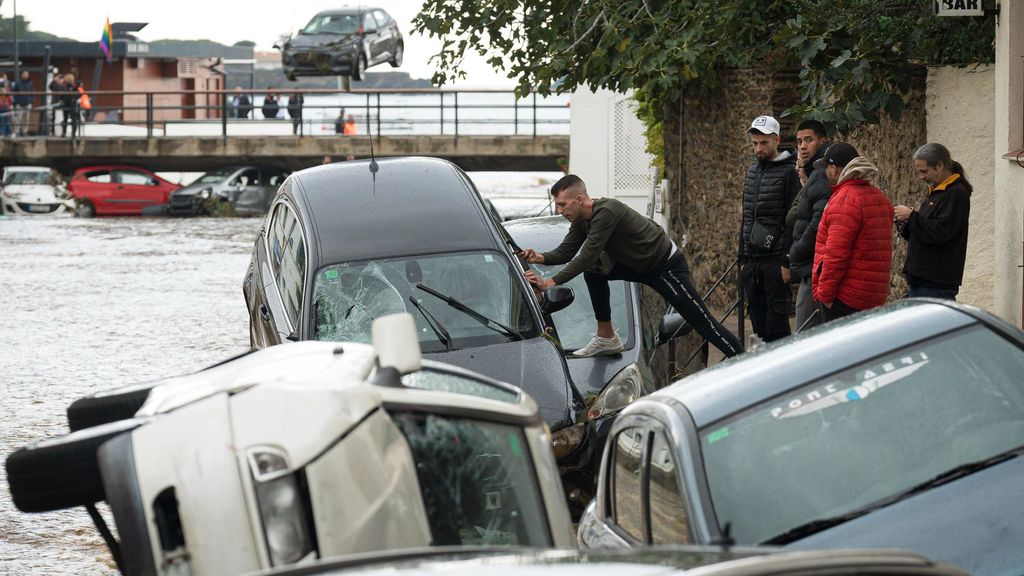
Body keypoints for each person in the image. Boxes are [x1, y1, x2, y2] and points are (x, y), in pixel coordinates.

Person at [520, 174, 742, 358]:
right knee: (594, 272)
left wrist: (550, 281)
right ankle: (606, 336)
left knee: (703, 323)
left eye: (562, 204)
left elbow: (588, 254)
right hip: (638, 267)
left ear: (579, 199)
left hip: (665, 267)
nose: (559, 211)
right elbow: (566, 252)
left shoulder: (607, 211)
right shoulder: (579, 220)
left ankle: (743, 362)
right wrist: (540, 257)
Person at [811, 143, 894, 323]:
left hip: (846, 298)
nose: (825, 172)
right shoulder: (879, 197)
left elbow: (835, 256)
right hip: (873, 296)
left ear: (834, 169)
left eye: (826, 167)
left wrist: (825, 296)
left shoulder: (845, 200)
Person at [740, 115, 800, 342]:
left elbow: (793, 220)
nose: (758, 148)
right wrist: (742, 259)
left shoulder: (789, 173)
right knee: (757, 327)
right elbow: (746, 216)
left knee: (777, 327)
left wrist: (786, 260)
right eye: (755, 143)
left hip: (775, 261)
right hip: (752, 261)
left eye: (763, 143)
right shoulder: (752, 172)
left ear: (776, 140)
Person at [893, 143, 972, 300]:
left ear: (940, 166)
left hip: (935, 282)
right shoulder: (937, 191)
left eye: (924, 171)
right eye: (918, 172)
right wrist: (904, 223)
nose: (921, 177)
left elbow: (941, 232)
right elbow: (924, 233)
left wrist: (911, 216)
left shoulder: (956, 194)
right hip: (924, 280)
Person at [786, 120, 830, 330]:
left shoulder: (821, 175)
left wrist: (795, 252)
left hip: (814, 267)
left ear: (822, 141)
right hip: (810, 266)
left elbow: (818, 222)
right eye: (799, 141)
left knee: (806, 334)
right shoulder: (813, 174)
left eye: (808, 140)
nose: (802, 146)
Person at [12, 71, 34, 137]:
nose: (26, 75)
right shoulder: (17, 82)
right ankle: (17, 132)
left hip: (27, 103)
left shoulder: (30, 83)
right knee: (18, 118)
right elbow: (14, 92)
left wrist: (31, 101)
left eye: (27, 74)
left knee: (26, 119)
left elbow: (32, 92)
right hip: (19, 103)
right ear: (21, 74)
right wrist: (16, 102)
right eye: (24, 74)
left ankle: (25, 132)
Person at [59, 73, 80, 137]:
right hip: (68, 104)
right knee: (68, 119)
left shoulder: (73, 87)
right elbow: (61, 95)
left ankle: (69, 133)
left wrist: (73, 98)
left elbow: (79, 94)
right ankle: (68, 133)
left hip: (70, 104)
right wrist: (61, 100)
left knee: (70, 119)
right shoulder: (65, 87)